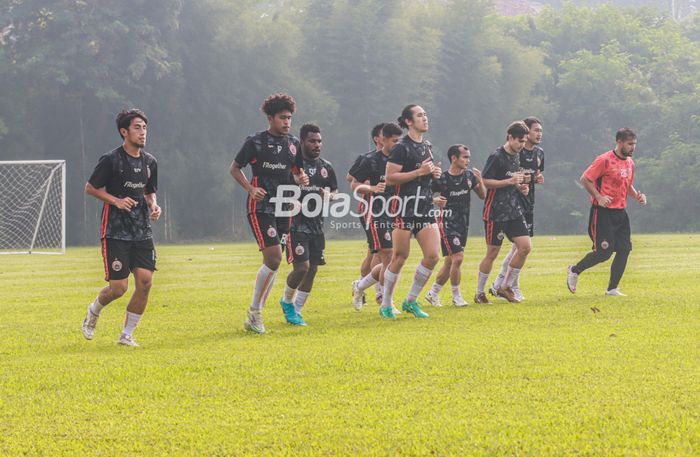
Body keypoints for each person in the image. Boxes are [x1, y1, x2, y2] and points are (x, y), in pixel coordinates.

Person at [81, 109, 161, 347]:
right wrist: (116, 201)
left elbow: (149, 191)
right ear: (124, 132)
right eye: (137, 127)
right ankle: (94, 310)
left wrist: (154, 206)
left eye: (145, 127)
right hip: (115, 230)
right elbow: (90, 187)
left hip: (142, 230)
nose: (142, 132)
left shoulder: (150, 162)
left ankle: (127, 335)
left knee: (145, 282)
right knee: (119, 288)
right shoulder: (111, 160)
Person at [230, 93, 308, 334]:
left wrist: (301, 178)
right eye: (283, 118)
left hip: (284, 207)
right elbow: (234, 169)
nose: (287, 122)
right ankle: (255, 312)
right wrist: (250, 188)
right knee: (274, 258)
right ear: (271, 118)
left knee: (274, 263)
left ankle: (255, 314)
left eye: (290, 118)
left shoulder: (294, 144)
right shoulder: (255, 142)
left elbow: (296, 173)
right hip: (261, 207)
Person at [567, 128, 646, 296]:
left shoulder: (630, 163)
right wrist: (599, 196)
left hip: (621, 212)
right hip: (602, 212)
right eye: (630, 144)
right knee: (604, 253)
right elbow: (585, 179)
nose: (633, 148)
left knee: (624, 250)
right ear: (619, 142)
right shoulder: (604, 160)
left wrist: (637, 196)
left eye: (635, 144)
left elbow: (627, 185)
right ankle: (575, 270)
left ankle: (612, 289)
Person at [381, 104, 442, 319]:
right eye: (419, 115)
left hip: (424, 207)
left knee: (433, 255)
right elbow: (390, 178)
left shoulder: (427, 146)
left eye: (425, 114)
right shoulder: (401, 147)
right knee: (399, 256)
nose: (425, 118)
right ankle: (386, 304)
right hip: (404, 208)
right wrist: (420, 171)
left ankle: (410, 301)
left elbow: (423, 174)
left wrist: (433, 174)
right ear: (408, 121)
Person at [280, 124, 338, 325]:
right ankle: (287, 302)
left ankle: (296, 310)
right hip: (295, 224)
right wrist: (290, 199)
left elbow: (335, 193)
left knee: (313, 269)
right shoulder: (293, 166)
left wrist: (328, 195)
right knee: (302, 267)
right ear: (302, 142)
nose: (317, 145)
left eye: (319, 141)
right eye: (312, 141)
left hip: (316, 225)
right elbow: (280, 188)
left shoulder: (326, 167)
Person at [474, 121, 531, 304]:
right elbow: (485, 181)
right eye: (520, 141)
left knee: (525, 247)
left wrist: (520, 187)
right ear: (510, 138)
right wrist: (509, 182)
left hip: (514, 210)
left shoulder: (517, 156)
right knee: (492, 253)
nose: (522, 145)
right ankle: (479, 292)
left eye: (524, 141)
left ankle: (504, 286)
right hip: (496, 211)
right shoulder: (496, 156)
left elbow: (512, 180)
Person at [350, 122, 403, 314]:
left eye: (400, 140)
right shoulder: (370, 160)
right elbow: (353, 183)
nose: (398, 144)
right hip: (374, 211)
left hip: (397, 211)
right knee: (387, 255)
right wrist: (371, 188)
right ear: (381, 139)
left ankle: (361, 286)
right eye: (394, 141)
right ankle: (386, 301)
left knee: (390, 257)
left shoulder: (402, 159)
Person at [490, 117, 544, 301]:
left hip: (528, 201)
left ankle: (501, 285)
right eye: (535, 130)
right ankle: (508, 285)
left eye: (540, 131)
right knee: (517, 247)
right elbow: (506, 176)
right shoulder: (512, 153)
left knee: (520, 247)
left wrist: (535, 180)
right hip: (510, 204)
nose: (539, 134)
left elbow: (533, 175)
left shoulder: (539, 153)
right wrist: (518, 183)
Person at [425, 145, 486, 307]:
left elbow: (482, 195)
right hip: (446, 222)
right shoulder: (442, 179)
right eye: (465, 157)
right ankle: (456, 296)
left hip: (463, 224)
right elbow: (422, 195)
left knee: (450, 261)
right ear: (454, 158)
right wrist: (434, 201)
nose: (468, 160)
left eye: (468, 157)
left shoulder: (469, 177)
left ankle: (433, 293)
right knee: (458, 258)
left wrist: (480, 180)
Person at [347, 123, 386, 307]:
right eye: (383, 135)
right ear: (377, 139)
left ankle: (359, 285)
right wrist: (369, 184)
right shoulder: (368, 158)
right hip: (370, 207)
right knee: (379, 250)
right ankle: (379, 293)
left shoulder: (394, 158)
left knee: (373, 251)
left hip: (389, 208)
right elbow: (351, 178)